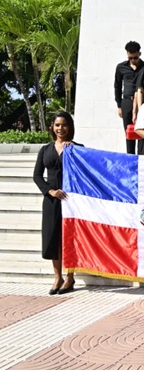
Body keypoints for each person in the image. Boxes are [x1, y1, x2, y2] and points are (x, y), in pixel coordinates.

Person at [33, 111, 81, 295]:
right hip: (51, 200)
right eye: (57, 125)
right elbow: (37, 175)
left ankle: (70, 277)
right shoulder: (45, 150)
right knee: (53, 238)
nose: (61, 128)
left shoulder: (76, 148)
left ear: (70, 127)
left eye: (64, 125)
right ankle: (57, 277)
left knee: (69, 237)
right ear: (52, 127)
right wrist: (50, 191)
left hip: (71, 200)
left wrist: (74, 150)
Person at [114, 41, 144, 154]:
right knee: (129, 132)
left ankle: (141, 156)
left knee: (142, 130)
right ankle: (130, 156)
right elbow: (117, 86)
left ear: (139, 54)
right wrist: (119, 105)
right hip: (126, 102)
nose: (133, 60)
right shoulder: (121, 67)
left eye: (135, 57)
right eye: (130, 58)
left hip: (141, 102)